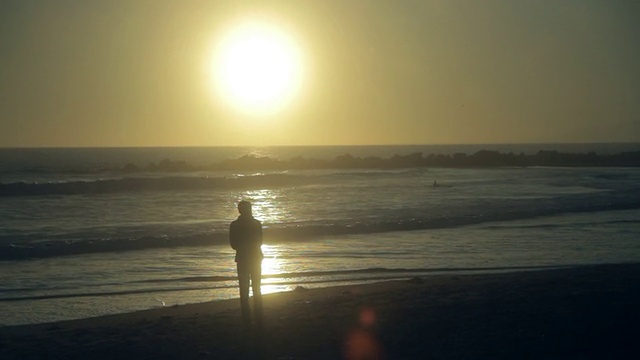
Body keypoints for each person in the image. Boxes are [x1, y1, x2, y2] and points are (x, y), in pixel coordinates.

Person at [229, 200, 264, 329]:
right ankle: (259, 319)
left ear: (239, 211)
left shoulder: (234, 225)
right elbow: (259, 241)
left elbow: (233, 245)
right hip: (255, 257)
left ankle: (247, 320)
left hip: (243, 258)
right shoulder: (256, 224)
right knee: (257, 288)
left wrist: (243, 246)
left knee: (244, 290)